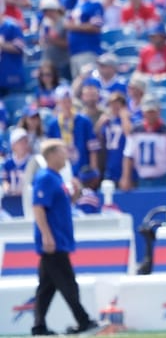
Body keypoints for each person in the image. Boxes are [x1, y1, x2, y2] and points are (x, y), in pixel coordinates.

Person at [31, 139, 98, 336]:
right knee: (67, 282)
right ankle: (83, 320)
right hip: (54, 241)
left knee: (46, 288)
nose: (66, 154)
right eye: (62, 150)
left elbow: (60, 205)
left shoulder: (56, 178)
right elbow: (38, 208)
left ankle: (39, 327)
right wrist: (47, 236)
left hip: (59, 238)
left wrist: (75, 193)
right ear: (51, 154)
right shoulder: (45, 178)